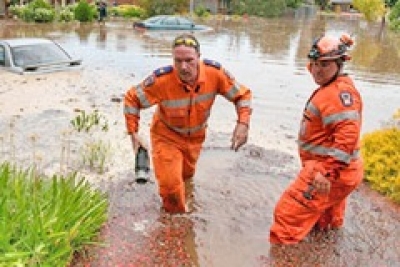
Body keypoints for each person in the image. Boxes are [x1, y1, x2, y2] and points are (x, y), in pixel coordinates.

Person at [124, 34, 252, 213]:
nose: (183, 67)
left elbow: (242, 95)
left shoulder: (214, 74)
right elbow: (132, 99)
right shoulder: (161, 81)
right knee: (171, 187)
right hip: (166, 136)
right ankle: (174, 229)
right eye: (178, 61)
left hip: (195, 139)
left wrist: (243, 124)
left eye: (189, 60)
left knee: (186, 178)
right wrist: (134, 134)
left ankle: (184, 212)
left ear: (199, 57)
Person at [269, 33, 364, 244]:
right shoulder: (333, 88)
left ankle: (284, 258)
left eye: (324, 64)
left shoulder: (337, 94)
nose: (317, 70)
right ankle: (326, 254)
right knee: (326, 223)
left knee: (287, 217)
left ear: (340, 64)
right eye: (314, 64)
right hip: (341, 171)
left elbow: (347, 135)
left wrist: (326, 172)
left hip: (328, 171)